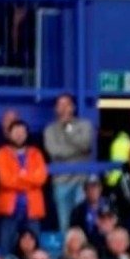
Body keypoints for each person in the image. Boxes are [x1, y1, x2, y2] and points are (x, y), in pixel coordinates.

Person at [0, 120, 48, 252]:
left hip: (32, 210)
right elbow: (5, 180)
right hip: (9, 211)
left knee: (35, 249)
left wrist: (18, 178)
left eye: (22, 132)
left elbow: (40, 178)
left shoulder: (36, 153)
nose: (19, 135)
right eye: (16, 132)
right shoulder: (1, 153)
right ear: (9, 134)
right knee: (5, 248)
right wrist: (28, 180)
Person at [43, 93, 95, 232]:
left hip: (82, 180)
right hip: (61, 182)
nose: (64, 108)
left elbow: (85, 145)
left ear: (73, 107)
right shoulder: (50, 129)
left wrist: (69, 129)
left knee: (82, 222)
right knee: (64, 224)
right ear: (55, 109)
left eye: (67, 104)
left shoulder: (85, 125)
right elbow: (54, 151)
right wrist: (77, 152)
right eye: (60, 105)